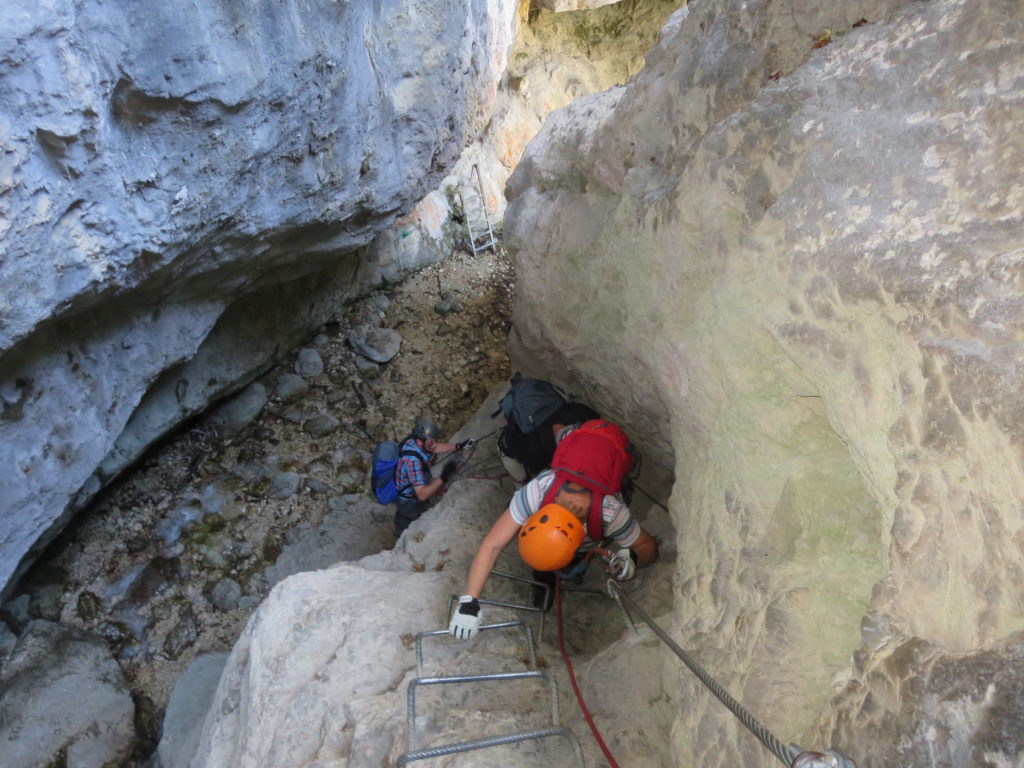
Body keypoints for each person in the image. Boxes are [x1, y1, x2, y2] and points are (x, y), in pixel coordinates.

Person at [447, 434, 659, 639]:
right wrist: (469, 602)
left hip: (593, 533)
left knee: (577, 556)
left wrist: (632, 558)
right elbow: (491, 545)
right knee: (545, 568)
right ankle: (548, 583)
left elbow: (647, 546)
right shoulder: (536, 493)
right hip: (583, 536)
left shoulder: (610, 513)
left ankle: (573, 567)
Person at [394, 416, 464, 536]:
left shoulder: (413, 441)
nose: (434, 444)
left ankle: (399, 522)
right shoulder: (412, 461)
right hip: (409, 500)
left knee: (404, 514)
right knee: (412, 515)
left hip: (407, 490)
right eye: (431, 441)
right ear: (421, 441)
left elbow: (434, 447)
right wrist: (444, 476)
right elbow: (422, 494)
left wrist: (459, 446)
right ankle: (401, 534)